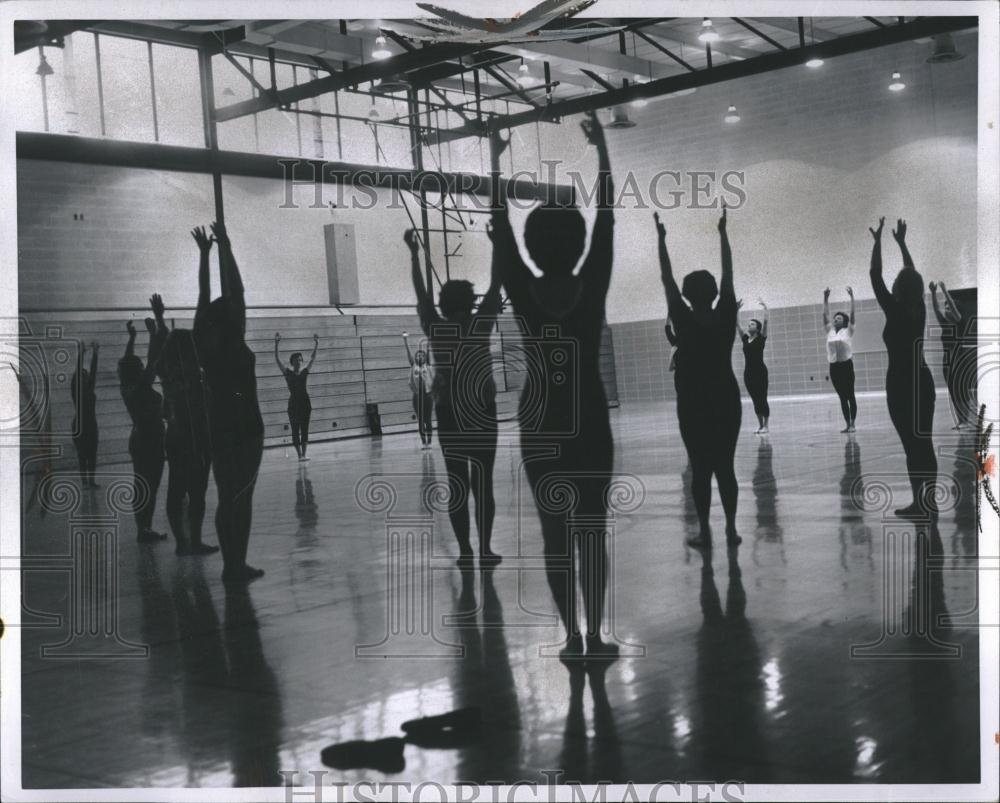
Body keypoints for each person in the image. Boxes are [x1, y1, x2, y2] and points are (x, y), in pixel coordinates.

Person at [491, 110, 618, 661]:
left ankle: (570, 637)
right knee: (591, 531)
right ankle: (593, 637)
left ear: (534, 242)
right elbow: (608, 217)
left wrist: (493, 159)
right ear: (578, 239)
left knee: (554, 535)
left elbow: (501, 224)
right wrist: (602, 147)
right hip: (587, 415)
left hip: (541, 419)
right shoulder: (591, 290)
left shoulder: (522, 289)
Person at [406, 225, 502, 567]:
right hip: (481, 411)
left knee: (457, 483)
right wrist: (496, 244)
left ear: (445, 305)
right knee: (483, 484)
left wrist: (414, 255)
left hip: (450, 415)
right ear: (471, 302)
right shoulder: (480, 325)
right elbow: (497, 283)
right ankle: (486, 548)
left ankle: (465, 550)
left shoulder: (437, 327)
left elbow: (420, 295)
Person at [654, 206, 742, 550]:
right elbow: (729, 273)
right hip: (725, 398)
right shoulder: (724, 316)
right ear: (715, 292)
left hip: (692, 403)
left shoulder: (683, 319)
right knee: (727, 468)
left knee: (700, 470)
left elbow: (666, 278)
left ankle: (705, 532)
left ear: (688, 295)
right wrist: (722, 234)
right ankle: (731, 529)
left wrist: (661, 240)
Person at [192, 223, 265, 583]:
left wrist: (206, 256)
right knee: (243, 496)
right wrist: (226, 247)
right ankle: (237, 563)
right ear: (231, 319)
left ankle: (231, 566)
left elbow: (204, 299)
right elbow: (238, 290)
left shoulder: (203, 343)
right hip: (247, 424)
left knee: (226, 496)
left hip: (218, 425)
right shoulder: (236, 341)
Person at [869, 217, 937, 518]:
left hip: (899, 383)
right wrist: (901, 244)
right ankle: (928, 503)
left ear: (898, 287)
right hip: (922, 380)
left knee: (912, 447)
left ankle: (919, 503)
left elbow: (874, 275)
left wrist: (878, 241)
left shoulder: (894, 309)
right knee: (925, 443)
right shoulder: (918, 307)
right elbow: (911, 276)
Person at [153, 298, 219, 556]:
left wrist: (160, 320)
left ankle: (183, 542)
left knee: (177, 489)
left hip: (176, 435)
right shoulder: (194, 375)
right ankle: (194, 540)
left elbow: (160, 345)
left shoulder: (167, 373)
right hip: (193, 436)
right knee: (196, 490)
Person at [118, 303, 167, 543]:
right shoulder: (139, 387)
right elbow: (153, 361)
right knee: (149, 486)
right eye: (138, 366)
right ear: (135, 371)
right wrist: (153, 331)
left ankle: (144, 529)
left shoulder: (127, 387)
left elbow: (130, 361)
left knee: (144, 485)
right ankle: (143, 529)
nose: (141, 366)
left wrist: (132, 338)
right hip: (149, 439)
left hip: (143, 438)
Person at [929, 281, 972, 430]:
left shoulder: (959, 322)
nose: (946, 308)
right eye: (946, 306)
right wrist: (934, 293)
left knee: (961, 390)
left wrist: (944, 290)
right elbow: (936, 309)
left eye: (949, 306)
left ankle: (965, 420)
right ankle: (961, 421)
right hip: (947, 361)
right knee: (953, 392)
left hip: (959, 359)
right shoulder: (945, 324)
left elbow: (953, 308)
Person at [274, 332, 318, 461]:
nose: (298, 361)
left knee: (305, 429)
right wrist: (276, 343)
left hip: (305, 403)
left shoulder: (305, 372)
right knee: (295, 430)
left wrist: (317, 344)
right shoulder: (287, 373)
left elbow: (313, 358)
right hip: (293, 404)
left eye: (300, 359)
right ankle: (299, 455)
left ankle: (304, 454)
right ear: (292, 362)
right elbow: (277, 359)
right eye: (296, 360)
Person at [824, 286, 857, 433]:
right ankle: (847, 424)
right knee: (842, 397)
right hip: (834, 368)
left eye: (839, 318)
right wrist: (825, 298)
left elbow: (853, 314)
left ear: (844, 322)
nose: (835, 319)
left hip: (846, 366)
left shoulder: (848, 331)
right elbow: (824, 315)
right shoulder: (829, 332)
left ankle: (853, 424)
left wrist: (852, 298)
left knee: (850, 395)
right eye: (835, 318)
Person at [736, 298, 770, 434]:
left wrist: (765, 309)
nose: (748, 326)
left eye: (752, 325)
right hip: (748, 373)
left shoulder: (761, 339)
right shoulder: (745, 339)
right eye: (749, 324)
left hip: (760, 372)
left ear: (757, 328)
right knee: (755, 399)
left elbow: (766, 322)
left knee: (762, 398)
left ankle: (766, 425)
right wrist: (736, 310)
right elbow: (737, 325)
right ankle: (760, 425)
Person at [71, 341, 100, 488]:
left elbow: (93, 372)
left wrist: (95, 353)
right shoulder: (77, 391)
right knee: (83, 455)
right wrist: (81, 353)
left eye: (86, 374)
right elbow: (81, 371)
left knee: (92, 454)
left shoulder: (88, 389)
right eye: (83, 375)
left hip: (90, 424)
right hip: (80, 425)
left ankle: (91, 481)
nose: (86, 376)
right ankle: (84, 483)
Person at [403, 332, 435, 448]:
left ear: (425, 357)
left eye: (422, 355)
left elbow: (429, 350)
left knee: (428, 420)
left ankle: (429, 442)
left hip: (428, 396)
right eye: (418, 355)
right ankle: (423, 443)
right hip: (417, 396)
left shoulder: (428, 365)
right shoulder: (413, 366)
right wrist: (405, 340)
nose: (419, 357)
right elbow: (408, 353)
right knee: (421, 420)